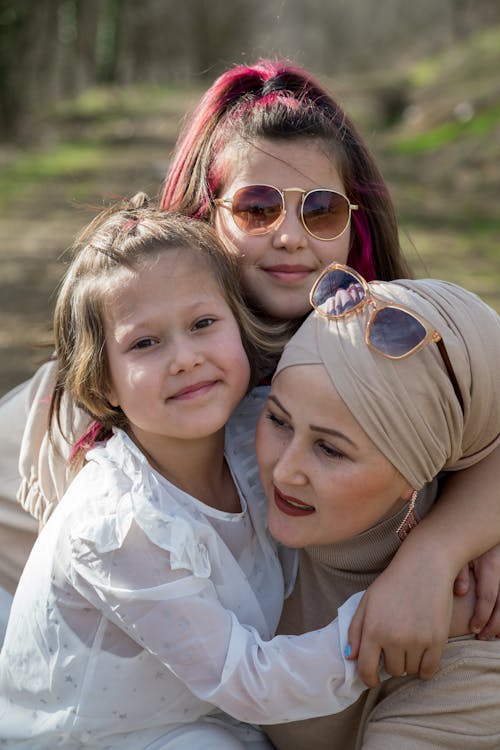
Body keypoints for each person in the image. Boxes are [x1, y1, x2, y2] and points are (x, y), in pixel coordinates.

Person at [2, 58, 500, 670]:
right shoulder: (138, 383)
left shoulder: (375, 330)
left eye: (321, 211)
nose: (291, 236)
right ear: (203, 215)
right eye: (258, 208)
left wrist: (447, 546)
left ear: (354, 226)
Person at [0, 202, 379, 748]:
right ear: (104, 382)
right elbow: (250, 682)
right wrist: (379, 624)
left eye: (203, 324)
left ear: (240, 327)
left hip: (214, 713)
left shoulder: (260, 434)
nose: (184, 359)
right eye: (145, 343)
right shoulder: (122, 526)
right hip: (107, 737)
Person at [255, 263, 500, 749]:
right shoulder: (227, 478)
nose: (283, 472)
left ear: (418, 471)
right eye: (279, 421)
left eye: (330, 450)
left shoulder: (468, 636)